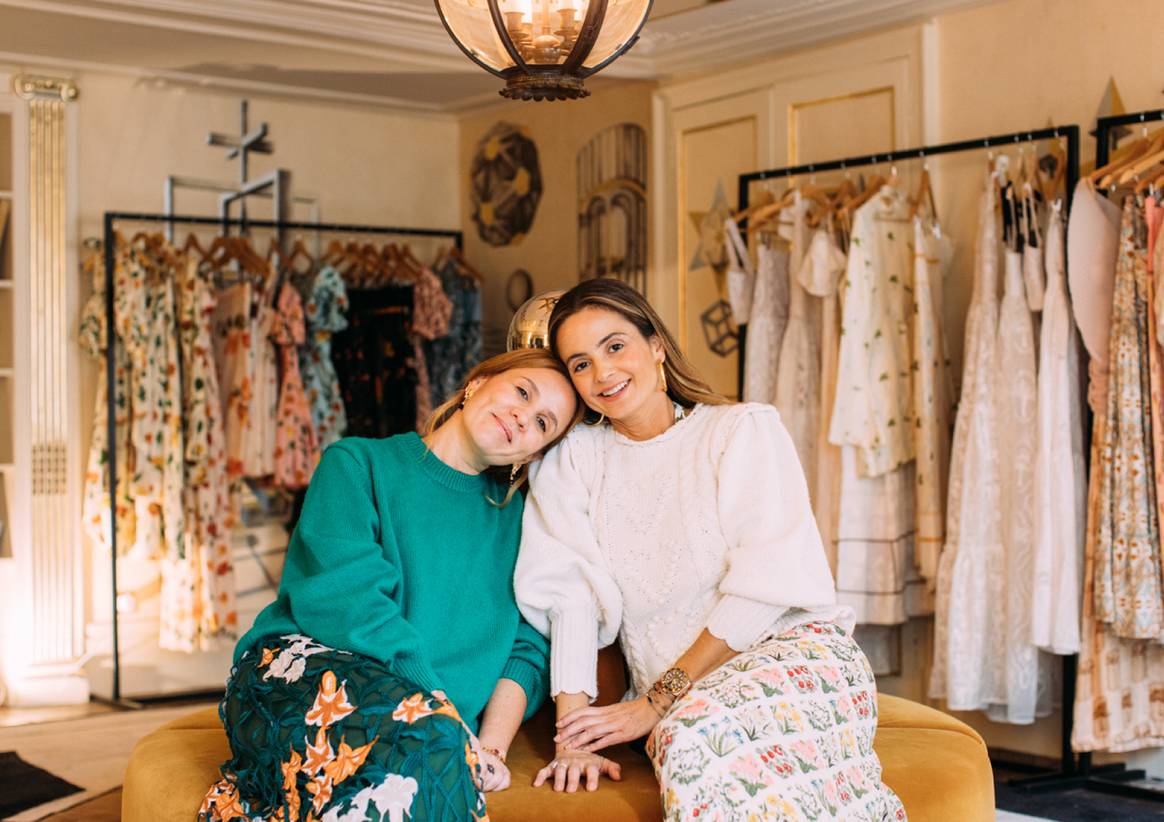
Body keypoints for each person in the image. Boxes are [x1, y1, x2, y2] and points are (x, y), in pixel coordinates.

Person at [515, 279, 906, 820]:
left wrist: (655, 703)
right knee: (693, 741)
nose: (603, 373)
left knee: (701, 741)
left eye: (615, 346)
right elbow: (569, 597)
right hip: (684, 706)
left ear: (655, 346)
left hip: (792, 657)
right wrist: (574, 735)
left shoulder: (741, 430)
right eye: (579, 364)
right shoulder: (574, 459)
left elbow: (767, 585)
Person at [200, 348, 582, 822]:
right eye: (522, 392)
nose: (523, 418)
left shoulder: (521, 522)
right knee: (430, 753)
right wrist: (441, 714)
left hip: (428, 730)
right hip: (295, 677)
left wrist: (490, 749)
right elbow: (356, 605)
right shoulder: (356, 464)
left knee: (424, 768)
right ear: (478, 383)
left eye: (544, 424)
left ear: (534, 454)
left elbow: (528, 645)